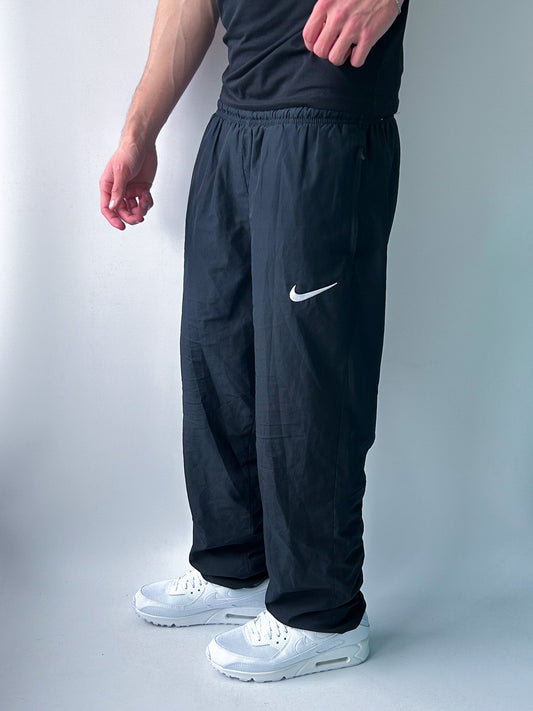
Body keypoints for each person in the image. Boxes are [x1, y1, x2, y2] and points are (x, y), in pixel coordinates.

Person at [99, 0, 410, 683]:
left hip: (325, 114)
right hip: (234, 120)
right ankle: (235, 566)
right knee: (216, 356)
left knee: (307, 378)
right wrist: (138, 130)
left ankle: (322, 611)